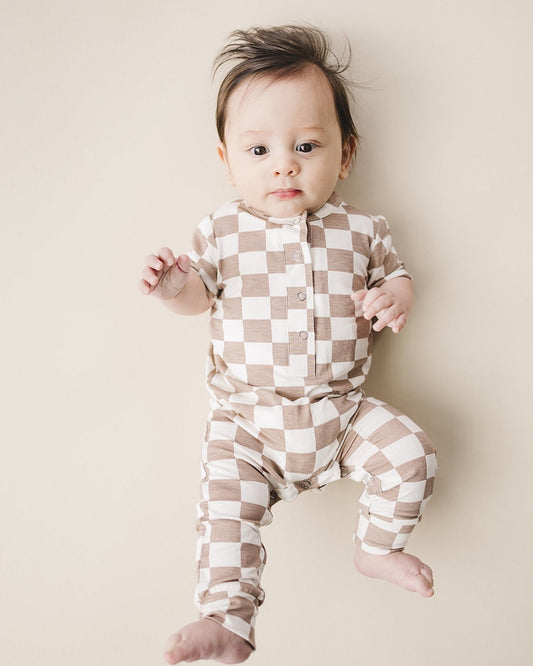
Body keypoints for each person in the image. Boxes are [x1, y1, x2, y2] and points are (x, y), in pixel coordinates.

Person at [139, 25, 437, 665]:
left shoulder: (361, 229)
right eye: (258, 150)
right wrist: (172, 288)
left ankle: (377, 547)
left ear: (345, 152)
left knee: (412, 451)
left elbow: (398, 276)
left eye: (306, 145)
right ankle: (227, 620)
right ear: (225, 159)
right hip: (247, 420)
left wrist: (396, 299)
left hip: (343, 411)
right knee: (225, 516)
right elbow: (200, 299)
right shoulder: (222, 230)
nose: (284, 164)